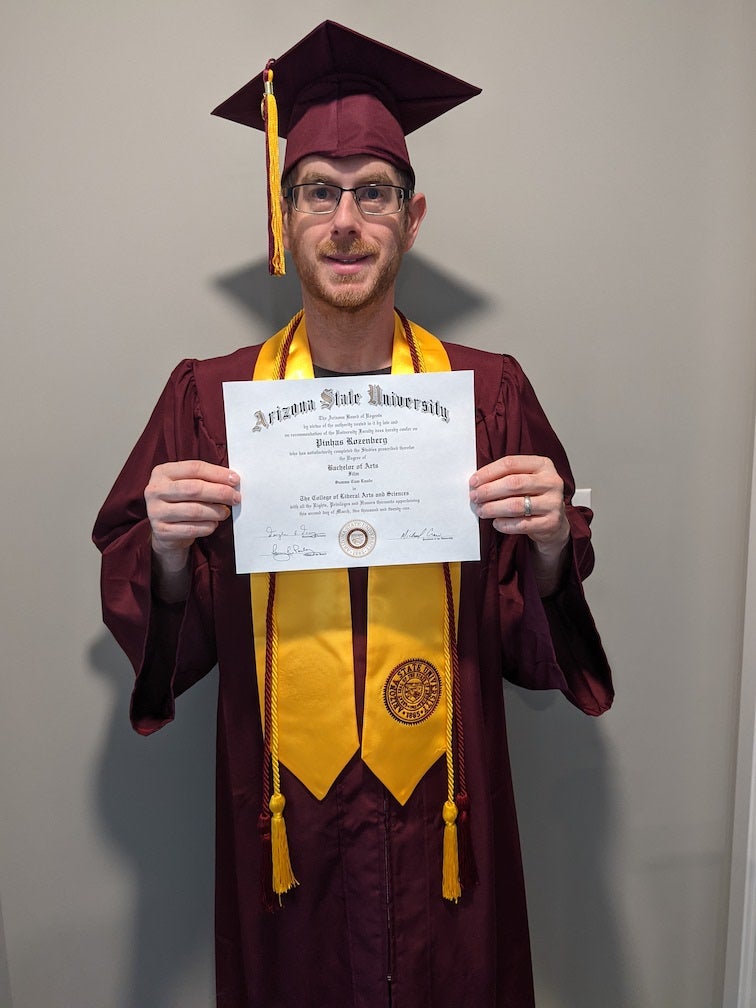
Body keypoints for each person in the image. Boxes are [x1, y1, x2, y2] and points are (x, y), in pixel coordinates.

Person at [93, 21, 613, 1008]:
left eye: (372, 193)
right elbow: (173, 628)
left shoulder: (487, 395)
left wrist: (550, 547)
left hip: (446, 814)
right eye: (317, 191)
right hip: (289, 822)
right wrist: (164, 552)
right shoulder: (210, 401)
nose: (344, 220)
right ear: (283, 219)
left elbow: (528, 641)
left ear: (412, 220)